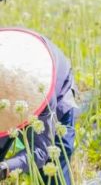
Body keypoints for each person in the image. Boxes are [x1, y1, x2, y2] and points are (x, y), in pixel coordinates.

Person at [0, 28, 78, 184]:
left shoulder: (39, 89)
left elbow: (40, 151)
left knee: (53, 166)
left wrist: (5, 168)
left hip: (57, 100)